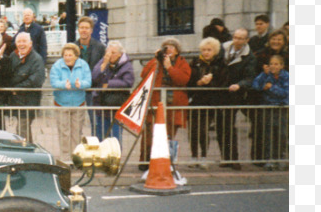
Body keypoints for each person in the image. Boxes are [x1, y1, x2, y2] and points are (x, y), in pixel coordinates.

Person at [138, 38, 191, 169]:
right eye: (166, 47)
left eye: (172, 47)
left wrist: (169, 67)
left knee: (169, 135)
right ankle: (145, 162)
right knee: (149, 134)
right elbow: (144, 74)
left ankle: (165, 163)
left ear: (178, 51)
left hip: (173, 105)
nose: (169, 49)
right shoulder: (156, 62)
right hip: (156, 104)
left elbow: (182, 80)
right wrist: (156, 60)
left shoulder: (182, 63)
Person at [0, 32, 45, 140]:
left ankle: (27, 153)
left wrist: (15, 89)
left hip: (28, 102)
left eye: (24, 41)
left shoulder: (37, 59)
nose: (21, 44)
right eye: (19, 41)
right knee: (20, 131)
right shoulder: (13, 55)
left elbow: (35, 81)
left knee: (23, 130)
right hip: (15, 101)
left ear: (30, 43)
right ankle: (28, 150)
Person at [219, 28, 257, 168]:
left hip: (236, 94)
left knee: (229, 126)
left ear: (247, 40)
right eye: (235, 37)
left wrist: (239, 85)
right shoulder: (223, 49)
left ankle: (233, 159)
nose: (237, 40)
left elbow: (249, 77)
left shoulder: (249, 57)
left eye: (241, 38)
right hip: (221, 92)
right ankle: (226, 157)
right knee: (222, 127)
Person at [187, 37, 227, 168]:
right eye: (204, 50)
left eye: (209, 50)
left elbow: (223, 82)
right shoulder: (195, 63)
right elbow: (189, 81)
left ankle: (204, 156)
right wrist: (198, 83)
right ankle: (193, 156)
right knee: (193, 130)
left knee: (203, 130)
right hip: (195, 100)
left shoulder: (220, 64)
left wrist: (211, 82)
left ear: (215, 51)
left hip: (209, 101)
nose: (206, 52)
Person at [50, 43, 92, 161]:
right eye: (65, 55)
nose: (67, 57)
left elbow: (88, 81)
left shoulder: (83, 65)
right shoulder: (57, 66)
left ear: (76, 56)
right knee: (64, 132)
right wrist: (63, 85)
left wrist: (81, 84)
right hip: (62, 103)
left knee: (76, 132)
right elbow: (53, 82)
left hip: (78, 103)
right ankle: (65, 158)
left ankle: (76, 157)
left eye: (70, 55)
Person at [251, 54, 289, 170]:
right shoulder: (266, 75)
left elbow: (286, 93)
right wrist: (264, 77)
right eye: (271, 63)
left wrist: (271, 88)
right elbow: (255, 86)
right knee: (269, 135)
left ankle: (280, 158)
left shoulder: (286, 76)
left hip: (281, 109)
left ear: (282, 66)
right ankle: (270, 159)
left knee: (281, 135)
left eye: (276, 64)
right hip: (268, 108)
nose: (273, 66)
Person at [91, 41, 134, 142]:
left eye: (113, 53)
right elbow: (94, 77)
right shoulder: (103, 61)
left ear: (120, 54)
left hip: (116, 106)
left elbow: (128, 82)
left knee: (115, 138)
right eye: (107, 52)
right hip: (101, 106)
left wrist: (108, 84)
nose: (109, 55)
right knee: (101, 137)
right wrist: (104, 64)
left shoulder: (126, 65)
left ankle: (115, 157)